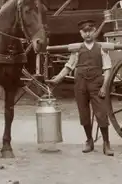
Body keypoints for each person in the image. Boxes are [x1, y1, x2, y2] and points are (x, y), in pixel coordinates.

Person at [48, 19, 114, 156]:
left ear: (95, 31)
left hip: (97, 84)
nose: (88, 34)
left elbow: (107, 69)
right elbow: (68, 66)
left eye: (90, 31)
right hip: (80, 84)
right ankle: (89, 140)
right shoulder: (77, 50)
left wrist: (104, 87)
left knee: (101, 113)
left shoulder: (101, 49)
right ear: (81, 33)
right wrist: (58, 79)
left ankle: (106, 144)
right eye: (85, 32)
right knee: (84, 114)